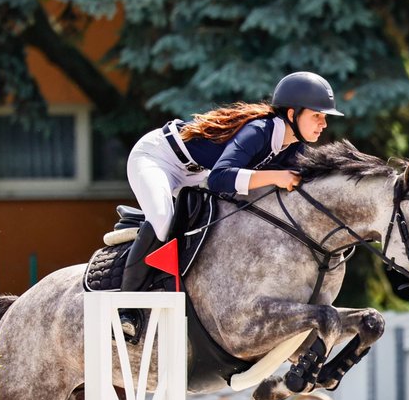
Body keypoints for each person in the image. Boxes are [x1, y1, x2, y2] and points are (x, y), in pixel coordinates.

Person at [119, 71, 345, 306]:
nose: (324, 124)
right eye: (317, 115)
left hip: (195, 173)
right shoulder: (259, 131)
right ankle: (127, 305)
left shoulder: (292, 147)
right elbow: (219, 178)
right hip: (158, 157)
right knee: (162, 217)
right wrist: (277, 176)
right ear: (292, 114)